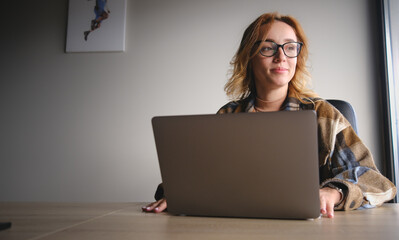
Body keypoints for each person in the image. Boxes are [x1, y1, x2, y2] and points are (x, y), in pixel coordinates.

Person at [142, 12, 397, 218]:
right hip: (244, 229)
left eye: (290, 47)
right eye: (268, 48)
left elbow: (375, 181)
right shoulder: (229, 115)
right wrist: (180, 193)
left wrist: (335, 193)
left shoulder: (323, 115)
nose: (281, 56)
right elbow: (201, 176)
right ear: (249, 57)